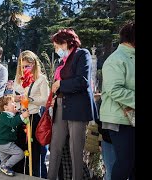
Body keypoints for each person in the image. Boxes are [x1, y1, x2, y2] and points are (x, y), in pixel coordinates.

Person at [47, 28, 99, 180]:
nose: (56, 49)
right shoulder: (62, 61)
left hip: (77, 107)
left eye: (56, 45)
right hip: (60, 105)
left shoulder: (82, 54)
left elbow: (82, 81)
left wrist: (59, 85)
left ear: (65, 43)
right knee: (55, 147)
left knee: (75, 149)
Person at [99, 21, 135, 180]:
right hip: (119, 119)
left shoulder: (129, 57)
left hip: (129, 118)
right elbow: (115, 90)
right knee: (126, 162)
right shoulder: (117, 58)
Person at [12, 50, 50, 177]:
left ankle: (33, 175)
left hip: (33, 118)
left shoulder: (41, 79)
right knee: (19, 151)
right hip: (19, 117)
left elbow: (46, 100)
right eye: (22, 66)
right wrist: (15, 99)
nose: (24, 69)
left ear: (34, 64)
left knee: (34, 153)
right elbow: (13, 97)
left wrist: (30, 99)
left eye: (27, 66)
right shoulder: (18, 79)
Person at [0, 95, 30, 176]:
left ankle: (3, 171)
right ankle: (6, 166)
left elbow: (15, 120)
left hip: (2, 143)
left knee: (4, 160)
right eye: (13, 102)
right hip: (5, 143)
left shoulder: (10, 115)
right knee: (20, 153)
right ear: (6, 107)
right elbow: (12, 122)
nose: (15, 104)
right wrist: (22, 116)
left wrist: (21, 115)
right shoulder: (4, 115)